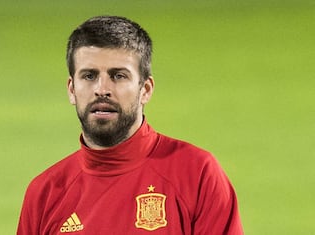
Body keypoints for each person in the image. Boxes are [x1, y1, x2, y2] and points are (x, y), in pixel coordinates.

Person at [17, 15, 243, 234]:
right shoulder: (44, 193)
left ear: (145, 89)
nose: (102, 89)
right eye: (89, 76)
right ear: (71, 89)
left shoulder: (196, 173)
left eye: (118, 76)